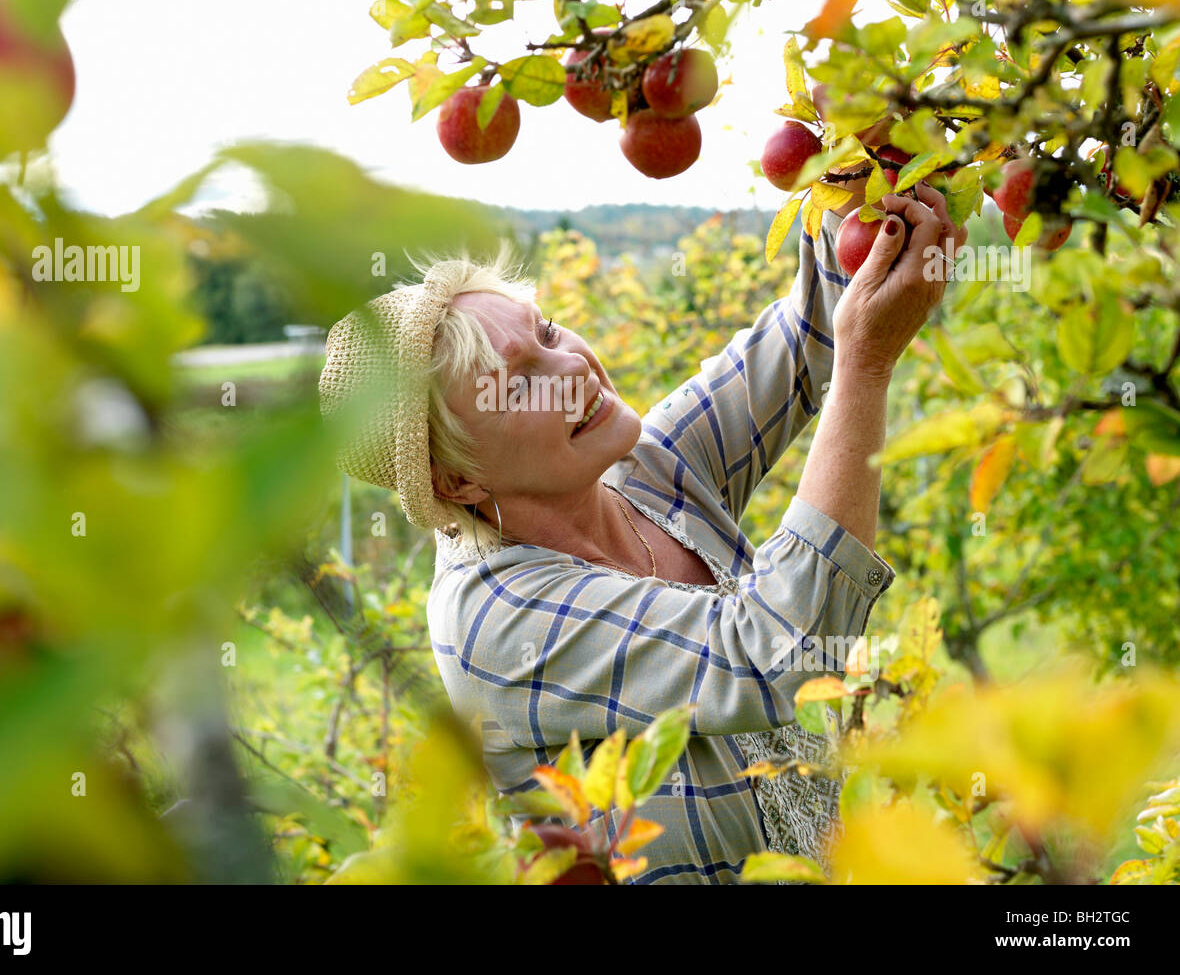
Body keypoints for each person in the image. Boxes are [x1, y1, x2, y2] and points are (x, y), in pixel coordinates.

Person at [318, 182, 967, 884]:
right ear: (457, 483)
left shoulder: (635, 470)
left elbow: (813, 333)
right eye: (517, 385)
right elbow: (775, 650)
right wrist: (867, 365)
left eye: (546, 331)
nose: (569, 367)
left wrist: (858, 167)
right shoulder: (493, 621)